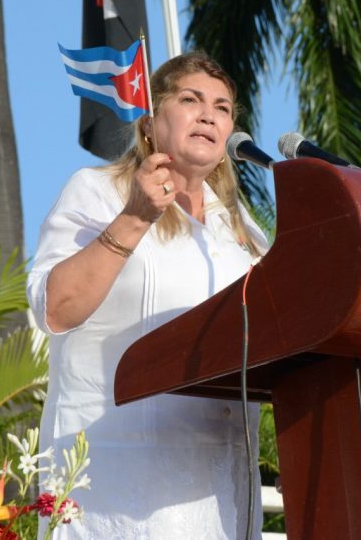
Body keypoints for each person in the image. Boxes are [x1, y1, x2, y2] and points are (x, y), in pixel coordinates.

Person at [27, 52, 267, 538]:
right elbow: (56, 308)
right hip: (115, 489)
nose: (208, 115)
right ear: (151, 123)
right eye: (190, 100)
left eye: (222, 108)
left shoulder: (245, 234)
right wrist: (134, 218)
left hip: (219, 493)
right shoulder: (97, 192)